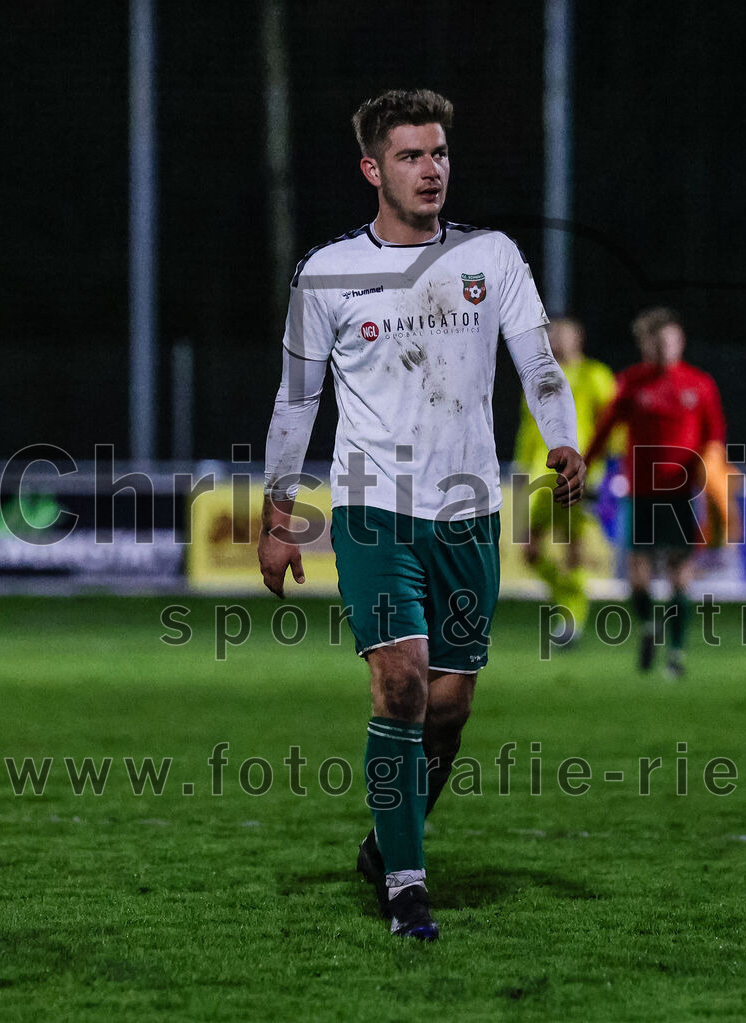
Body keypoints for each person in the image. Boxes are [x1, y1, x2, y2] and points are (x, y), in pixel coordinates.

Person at [257, 88, 585, 941]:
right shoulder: (328, 273)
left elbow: (539, 358)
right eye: (410, 155)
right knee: (400, 682)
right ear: (372, 169)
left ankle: (384, 839)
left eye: (438, 153)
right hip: (373, 508)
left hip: (467, 508)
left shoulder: (494, 256)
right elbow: (298, 397)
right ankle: (407, 884)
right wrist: (276, 508)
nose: (430, 169)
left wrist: (561, 438)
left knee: (450, 708)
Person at [585, 307, 726, 679]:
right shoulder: (631, 383)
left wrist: (715, 485)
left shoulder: (699, 385)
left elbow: (715, 438)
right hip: (640, 493)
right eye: (658, 342)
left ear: (680, 342)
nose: (666, 348)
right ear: (645, 345)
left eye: (672, 341)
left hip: (680, 495)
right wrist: (582, 465)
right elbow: (604, 429)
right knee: (636, 578)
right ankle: (650, 625)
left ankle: (677, 656)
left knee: (680, 574)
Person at [512, 317, 618, 644]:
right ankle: (569, 601)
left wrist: (609, 471)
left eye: (562, 332)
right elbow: (528, 430)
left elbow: (612, 425)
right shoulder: (536, 376)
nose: (556, 338)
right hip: (539, 475)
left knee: (574, 548)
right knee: (528, 550)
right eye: (550, 333)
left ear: (579, 337)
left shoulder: (595, 375)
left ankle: (572, 617)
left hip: (580, 473)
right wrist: (519, 468)